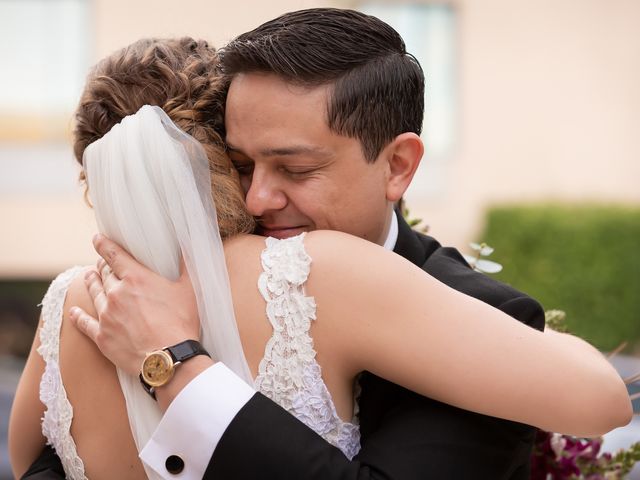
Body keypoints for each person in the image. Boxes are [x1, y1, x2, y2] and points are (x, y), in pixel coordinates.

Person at [12, 11, 631, 480]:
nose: (256, 200)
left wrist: (174, 365)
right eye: (241, 165)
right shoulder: (306, 272)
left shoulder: (71, 299)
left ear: (398, 166)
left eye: (296, 169)